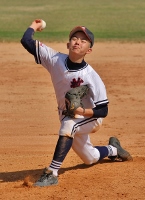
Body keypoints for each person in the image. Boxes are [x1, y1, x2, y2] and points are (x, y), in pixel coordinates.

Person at [21, 19, 132, 187]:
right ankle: (114, 149)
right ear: (68, 44)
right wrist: (34, 26)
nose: (78, 42)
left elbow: (103, 110)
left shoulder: (91, 76)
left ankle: (52, 173)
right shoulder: (54, 59)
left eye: (83, 40)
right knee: (90, 157)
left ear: (89, 50)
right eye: (74, 38)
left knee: (68, 126)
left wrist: (81, 111)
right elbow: (27, 41)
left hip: (91, 117)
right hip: (68, 115)